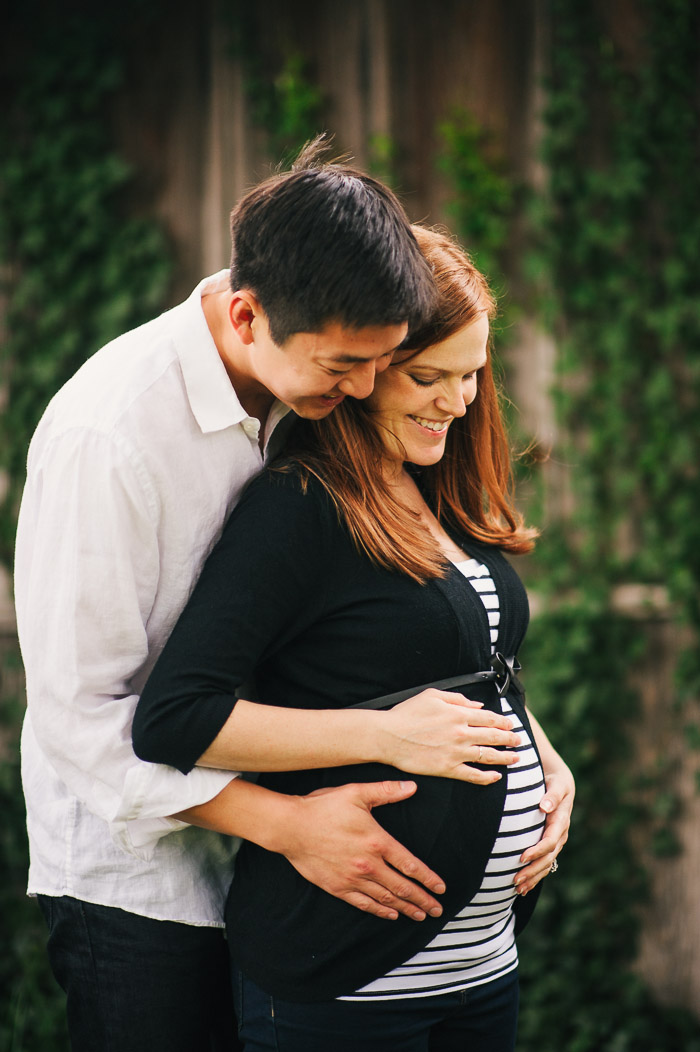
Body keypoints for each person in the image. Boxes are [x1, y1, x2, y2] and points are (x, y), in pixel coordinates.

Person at [14, 139, 543, 1052]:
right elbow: (81, 716)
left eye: (386, 363)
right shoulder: (113, 437)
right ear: (249, 316)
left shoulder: (310, 392)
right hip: (149, 883)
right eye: (345, 368)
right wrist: (287, 823)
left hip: (303, 882)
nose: (366, 388)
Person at [133, 225, 575, 1052]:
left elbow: (476, 669)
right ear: (367, 371)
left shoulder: (433, 492)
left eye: (473, 374)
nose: (459, 401)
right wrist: (386, 736)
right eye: (428, 376)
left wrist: (541, 757)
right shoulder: (299, 509)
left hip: (483, 966)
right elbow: (175, 717)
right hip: (351, 983)